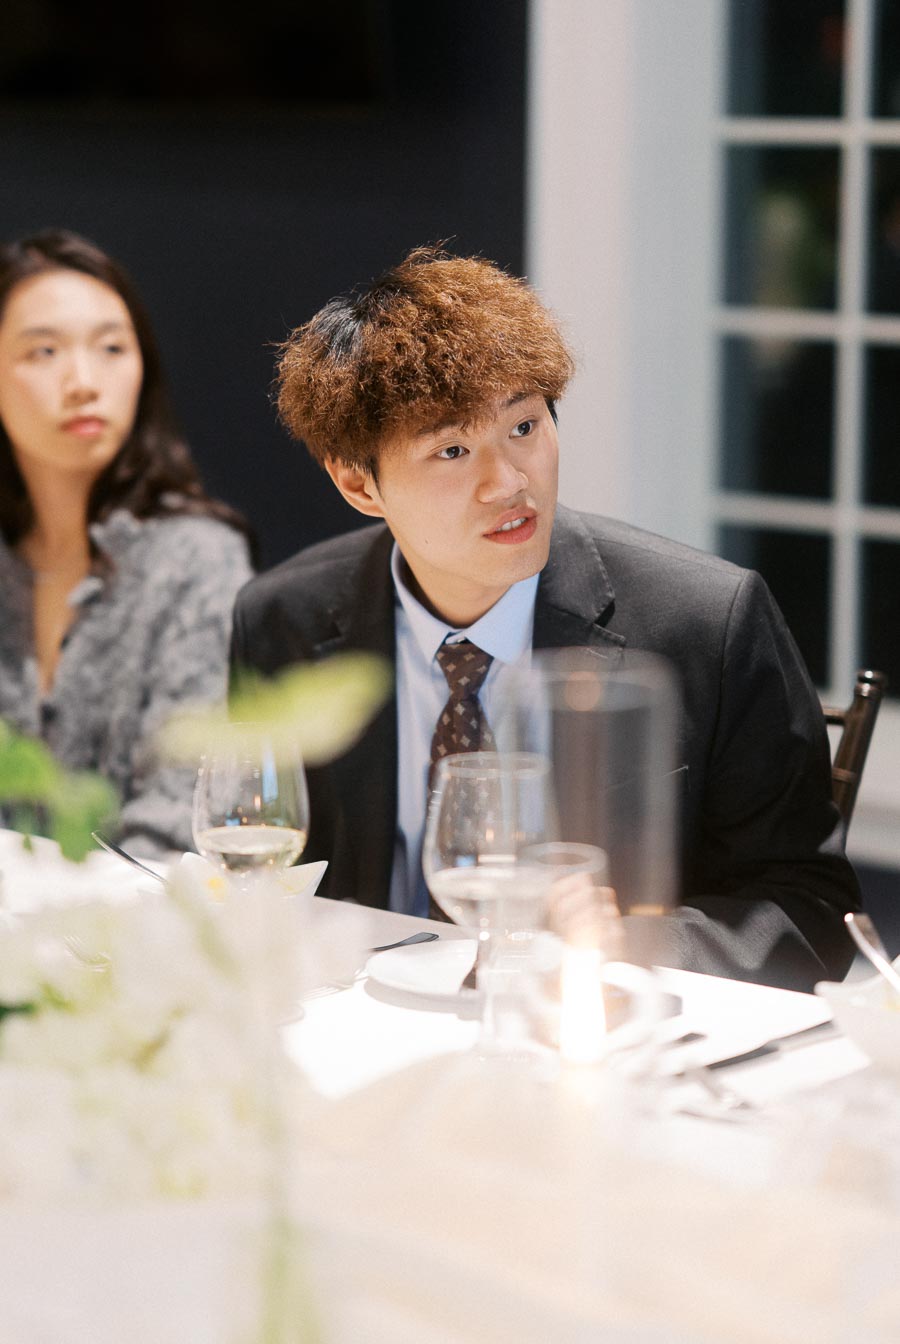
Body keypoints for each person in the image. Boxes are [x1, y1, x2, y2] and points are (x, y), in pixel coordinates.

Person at [230, 246, 859, 992]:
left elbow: (811, 909)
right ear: (358, 483)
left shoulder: (706, 621)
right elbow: (258, 867)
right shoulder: (284, 621)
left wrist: (619, 943)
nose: (508, 483)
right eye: (453, 449)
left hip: (593, 1037)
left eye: (524, 428)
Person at [0, 229, 254, 856]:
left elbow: (182, 820)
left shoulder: (197, 558)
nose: (84, 381)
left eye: (112, 347)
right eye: (44, 352)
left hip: (126, 941)